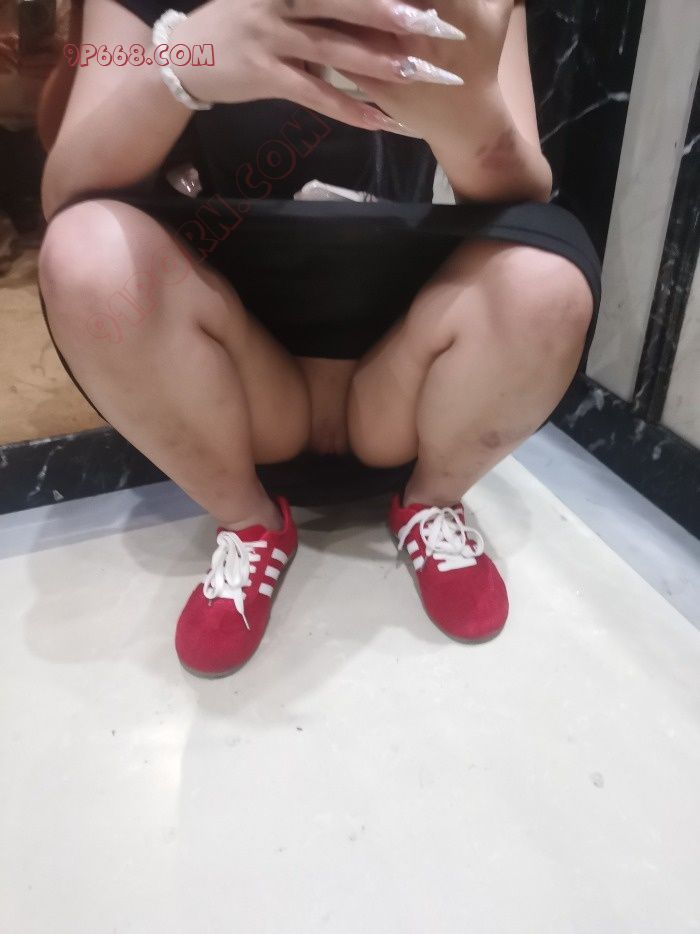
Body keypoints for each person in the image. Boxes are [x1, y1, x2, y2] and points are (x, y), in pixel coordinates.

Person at [38, 0, 601, 677]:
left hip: (405, 392)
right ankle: (249, 520)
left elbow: (524, 192)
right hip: (235, 394)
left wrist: (472, 115)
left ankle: (429, 500)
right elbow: (67, 190)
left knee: (546, 283)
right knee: (87, 255)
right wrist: (183, 64)